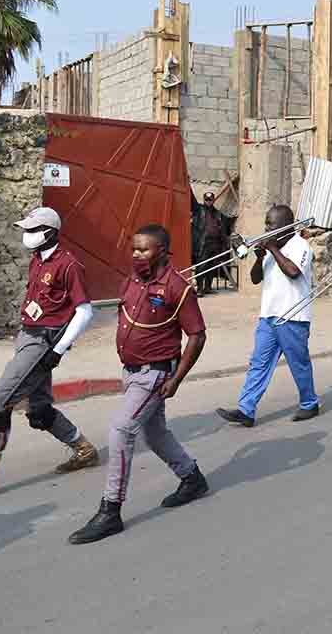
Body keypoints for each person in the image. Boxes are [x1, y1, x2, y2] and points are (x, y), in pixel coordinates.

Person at [68, 224, 209, 544]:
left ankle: (110, 510)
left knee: (121, 429)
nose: (136, 255)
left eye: (143, 250)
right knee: (154, 433)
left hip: (155, 374)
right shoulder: (131, 279)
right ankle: (192, 478)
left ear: (161, 251)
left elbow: (197, 335)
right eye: (133, 249)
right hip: (131, 372)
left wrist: (176, 378)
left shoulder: (177, 286)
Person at [0, 207, 98, 494]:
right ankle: (84, 449)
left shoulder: (68, 265)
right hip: (27, 337)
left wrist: (59, 350)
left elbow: (84, 311)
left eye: (32, 230)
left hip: (43, 343)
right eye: (26, 230)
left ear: (51, 232)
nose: (27, 236)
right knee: (40, 411)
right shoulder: (37, 261)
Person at [217, 204, 318, 428]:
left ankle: (310, 403)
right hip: (269, 315)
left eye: (271, 224)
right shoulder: (273, 249)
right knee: (258, 363)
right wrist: (259, 256)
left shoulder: (300, 246)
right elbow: (255, 278)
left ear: (285, 225)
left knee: (298, 364)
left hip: (293, 316)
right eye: (266, 223)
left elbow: (293, 272)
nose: (266, 227)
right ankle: (246, 409)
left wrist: (272, 249)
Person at [193, 192, 229, 295]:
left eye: (210, 199)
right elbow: (192, 201)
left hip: (215, 243)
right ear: (204, 200)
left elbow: (222, 229)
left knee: (212, 266)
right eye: (207, 199)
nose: (208, 201)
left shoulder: (217, 213)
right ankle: (200, 289)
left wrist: (224, 243)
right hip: (204, 243)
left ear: (213, 200)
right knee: (201, 266)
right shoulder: (199, 210)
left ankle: (208, 287)